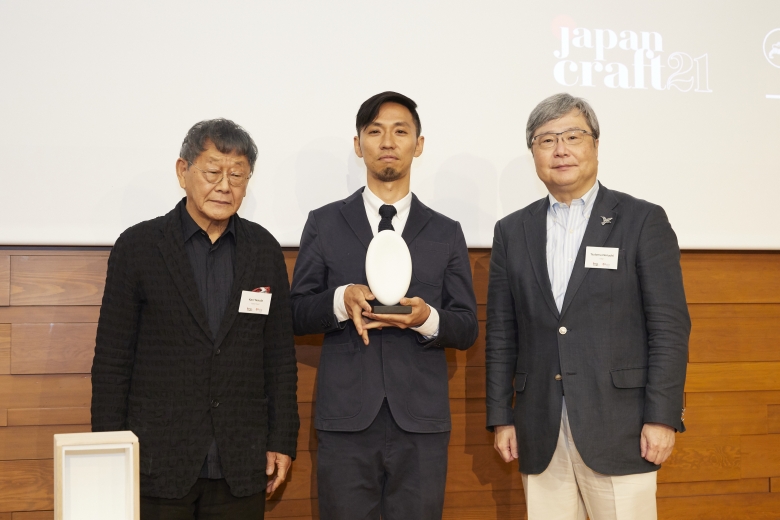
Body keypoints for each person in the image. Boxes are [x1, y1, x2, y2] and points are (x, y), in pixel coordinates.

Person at [485, 93, 690, 520]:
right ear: (534, 154)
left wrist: (663, 417)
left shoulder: (641, 220)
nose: (561, 149)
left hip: (623, 427)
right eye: (546, 140)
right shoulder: (512, 230)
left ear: (595, 145)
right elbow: (503, 332)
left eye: (573, 136)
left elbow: (669, 328)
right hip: (540, 426)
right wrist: (502, 417)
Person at [91, 119, 299, 519]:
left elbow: (279, 358)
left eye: (237, 174)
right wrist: (109, 449)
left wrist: (282, 438)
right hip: (157, 461)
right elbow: (112, 361)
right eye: (213, 171)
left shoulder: (264, 250)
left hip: (240, 460)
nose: (225, 185)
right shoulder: (138, 247)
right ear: (183, 171)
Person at [290, 91, 478, 520]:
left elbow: (466, 327)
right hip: (346, 421)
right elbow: (296, 313)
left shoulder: (445, 232)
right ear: (358, 145)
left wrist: (427, 319)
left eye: (400, 131)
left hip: (422, 424)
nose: (387, 141)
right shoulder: (325, 222)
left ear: (419, 144)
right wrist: (341, 299)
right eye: (374, 131)